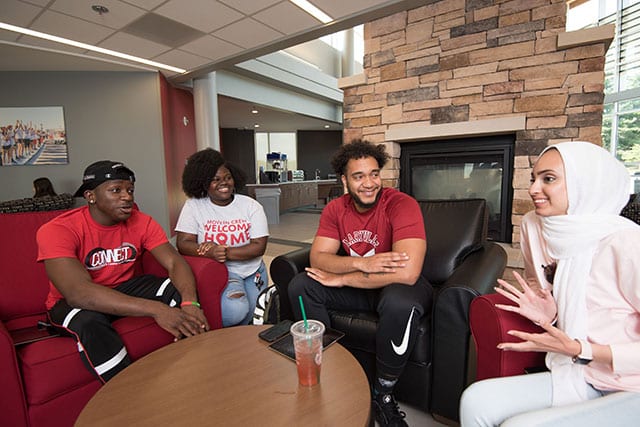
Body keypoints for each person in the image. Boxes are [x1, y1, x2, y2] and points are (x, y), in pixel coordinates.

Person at [460, 141, 640, 426]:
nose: (532, 189)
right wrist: (550, 314)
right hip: (578, 374)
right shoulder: (535, 225)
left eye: (549, 179)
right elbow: (544, 287)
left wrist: (583, 349)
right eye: (534, 178)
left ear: (586, 183)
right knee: (475, 400)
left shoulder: (626, 243)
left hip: (630, 386)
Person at [288, 140, 432, 427]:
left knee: (399, 300)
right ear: (344, 180)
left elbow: (407, 273)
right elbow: (319, 258)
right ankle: (327, 369)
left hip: (399, 288)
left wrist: (343, 279)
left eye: (374, 174)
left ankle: (383, 394)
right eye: (359, 176)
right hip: (364, 285)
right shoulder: (335, 209)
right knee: (301, 285)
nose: (369, 183)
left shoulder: (402, 205)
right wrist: (361, 263)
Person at [37, 160, 209, 383]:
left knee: (174, 288)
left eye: (130, 190)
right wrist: (156, 310)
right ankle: (128, 392)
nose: (127, 197)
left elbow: (175, 263)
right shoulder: (58, 230)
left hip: (123, 288)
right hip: (71, 302)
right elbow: (78, 293)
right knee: (89, 322)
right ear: (91, 196)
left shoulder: (142, 221)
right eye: (115, 190)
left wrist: (189, 303)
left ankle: (195, 365)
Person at [176, 148, 269, 327]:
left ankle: (241, 348)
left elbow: (258, 247)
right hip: (224, 271)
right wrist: (209, 252)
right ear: (203, 183)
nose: (224, 183)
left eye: (227, 178)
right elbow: (183, 243)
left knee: (255, 316)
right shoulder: (194, 206)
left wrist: (222, 252)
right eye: (215, 180)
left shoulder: (251, 206)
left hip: (253, 271)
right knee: (235, 311)